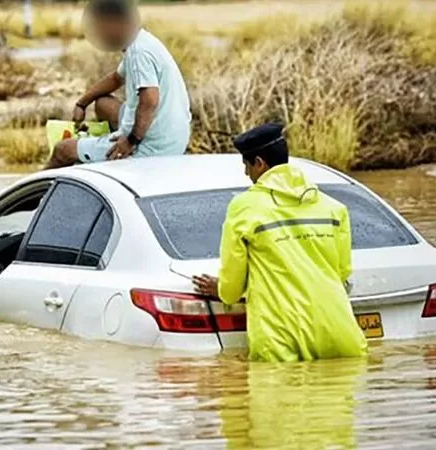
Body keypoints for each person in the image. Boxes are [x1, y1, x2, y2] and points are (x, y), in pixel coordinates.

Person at [192, 123, 367, 362]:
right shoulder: (333, 208)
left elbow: (231, 290)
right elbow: (342, 272)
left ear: (259, 163)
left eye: (246, 165)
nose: (246, 174)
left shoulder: (244, 207)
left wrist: (224, 289)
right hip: (338, 332)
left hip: (280, 337)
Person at [46, 0, 191, 168]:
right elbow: (116, 78)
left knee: (63, 150)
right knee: (103, 104)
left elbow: (150, 100)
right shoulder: (142, 41)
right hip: (173, 134)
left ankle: (35, 193)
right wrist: (82, 103)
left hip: (154, 146)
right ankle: (101, 150)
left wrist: (130, 141)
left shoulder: (139, 53)